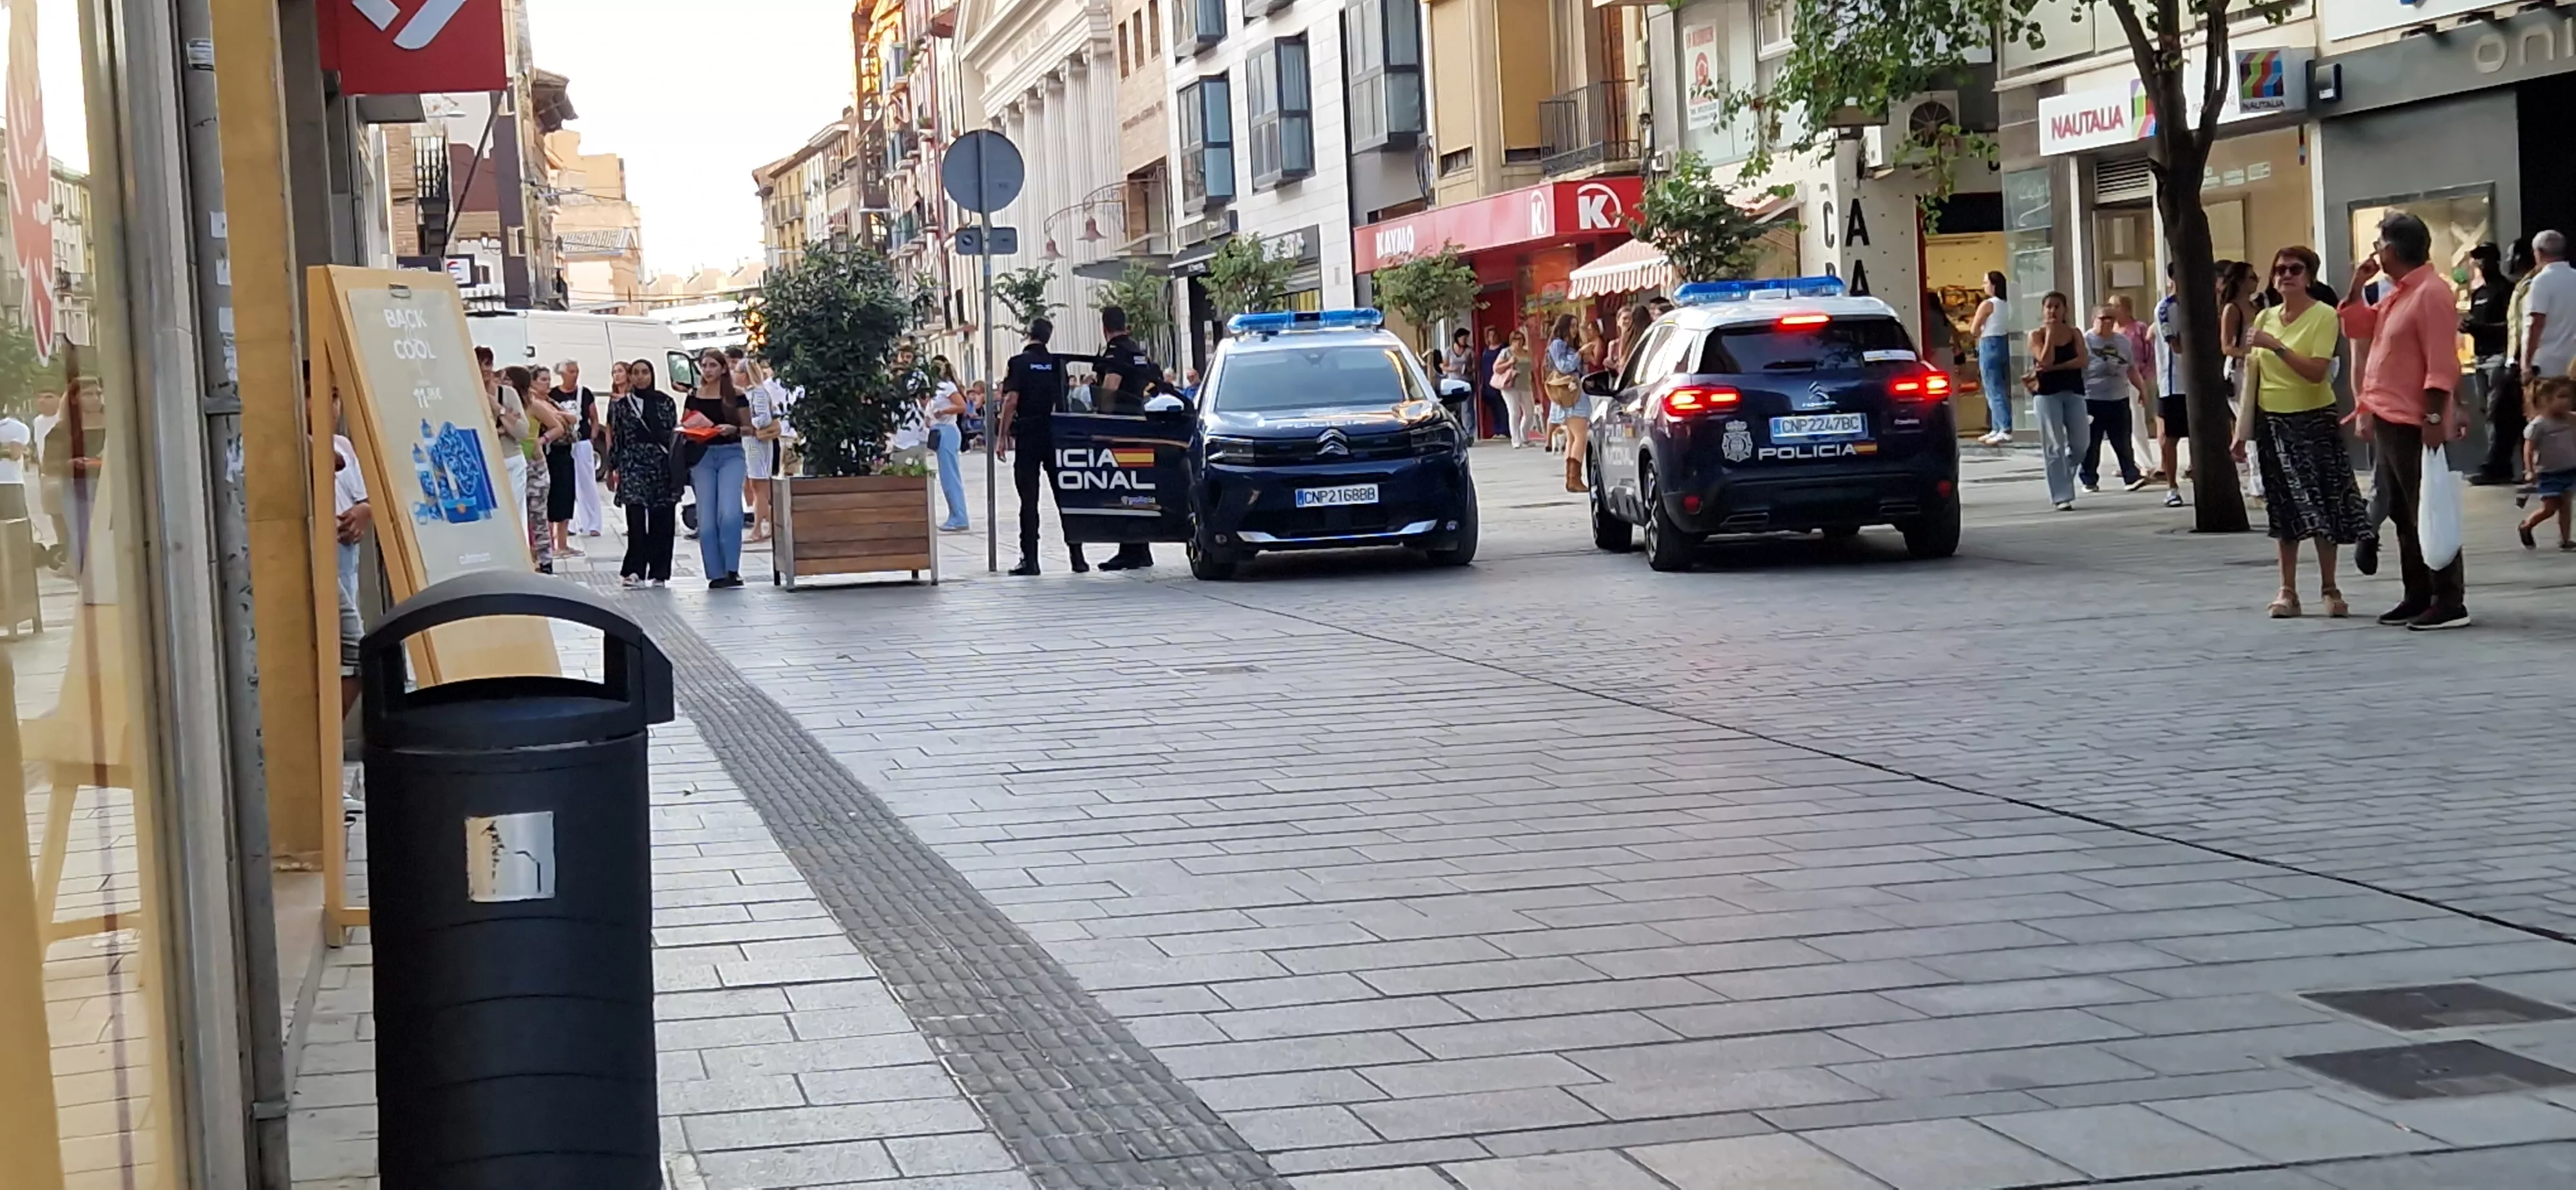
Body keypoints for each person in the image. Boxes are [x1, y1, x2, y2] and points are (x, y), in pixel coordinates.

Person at [2340, 210, 2470, 630]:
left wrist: (2435, 412)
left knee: (2427, 506)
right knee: (2401, 508)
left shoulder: (2430, 292)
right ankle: (2418, 593)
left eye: (2379, 245)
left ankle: (2448, 597)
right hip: (2387, 414)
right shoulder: (2399, 292)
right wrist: (2357, 286)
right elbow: (2357, 325)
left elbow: (2441, 359)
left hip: (2414, 416)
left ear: (2391, 249)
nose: (2375, 252)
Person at [2235, 246, 2367, 619]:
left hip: (2313, 418)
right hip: (2272, 421)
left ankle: (2330, 587)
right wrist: (2241, 432)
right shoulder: (2265, 315)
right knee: (2283, 508)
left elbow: (2315, 371)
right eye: (2279, 270)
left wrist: (2276, 346)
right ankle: (2287, 590)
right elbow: (2253, 378)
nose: (2285, 276)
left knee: (2325, 503)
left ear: (2309, 276)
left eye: (2295, 269)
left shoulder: (2324, 316)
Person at [1003, 317, 1079, 576]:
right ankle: (1077, 557)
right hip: (1056, 434)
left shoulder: (1018, 363)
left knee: (1029, 499)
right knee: (1065, 496)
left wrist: (1002, 434)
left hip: (1028, 433)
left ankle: (1031, 559)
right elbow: (1065, 399)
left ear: (1029, 334)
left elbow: (1011, 400)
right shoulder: (1058, 364)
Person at [1094, 306, 1167, 569]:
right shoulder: (1138, 351)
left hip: (1120, 428)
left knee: (1123, 487)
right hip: (1139, 424)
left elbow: (1111, 386)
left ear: (1105, 328)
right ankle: (1138, 548)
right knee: (1136, 487)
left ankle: (1132, 550)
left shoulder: (1115, 352)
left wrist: (1101, 420)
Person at [683, 347, 752, 589]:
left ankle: (732, 569)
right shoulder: (695, 395)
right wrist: (693, 431)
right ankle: (716, 573)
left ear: (724, 368)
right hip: (702, 455)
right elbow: (685, 425)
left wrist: (732, 429)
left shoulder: (736, 395)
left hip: (730, 454)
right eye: (704, 365)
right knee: (707, 516)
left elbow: (750, 428)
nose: (708, 370)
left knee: (730, 511)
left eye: (713, 365)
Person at [608, 359, 681, 587]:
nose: (641, 377)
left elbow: (672, 434)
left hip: (660, 464)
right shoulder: (621, 406)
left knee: (662, 517)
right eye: (636, 373)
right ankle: (634, 570)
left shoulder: (665, 402)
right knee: (636, 517)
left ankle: (660, 571)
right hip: (632, 463)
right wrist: (612, 469)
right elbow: (617, 439)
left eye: (645, 372)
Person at [2469, 240, 2528, 485]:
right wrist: (2472, 329)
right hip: (2480, 358)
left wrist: (2482, 329)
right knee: (2487, 411)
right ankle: (2497, 463)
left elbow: (2512, 327)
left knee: (2497, 411)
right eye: (2478, 259)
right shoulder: (2479, 293)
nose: (2481, 264)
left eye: (2485, 258)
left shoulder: (2507, 290)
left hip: (2498, 356)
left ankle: (2496, 465)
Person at [2027, 292, 2089, 511]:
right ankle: (2062, 496)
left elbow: (2082, 360)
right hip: (2047, 394)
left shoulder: (2074, 333)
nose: (2052, 311)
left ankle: (2062, 475)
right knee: (2054, 445)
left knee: (2081, 444)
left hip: (2073, 391)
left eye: (2057, 306)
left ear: (2065, 310)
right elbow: (2045, 359)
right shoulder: (2036, 335)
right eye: (2048, 307)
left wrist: (2054, 369)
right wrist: (2051, 336)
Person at [504, 366, 569, 572]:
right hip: (512, 463)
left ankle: (545, 559)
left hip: (534, 465)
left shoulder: (533, 406)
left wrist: (541, 441)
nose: (503, 384)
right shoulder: (503, 405)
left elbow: (558, 426)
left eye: (507, 380)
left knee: (538, 513)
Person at [2079, 305, 2148, 493]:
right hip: (2092, 397)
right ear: (2094, 320)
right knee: (2091, 444)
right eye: (2103, 318)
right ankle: (2089, 479)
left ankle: (2130, 476)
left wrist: (2141, 389)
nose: (2107, 322)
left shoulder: (2122, 341)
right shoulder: (2085, 341)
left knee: (2123, 441)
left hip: (2118, 397)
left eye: (2111, 318)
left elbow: (2131, 368)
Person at [2218, 260, 2262, 500]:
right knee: (2248, 423)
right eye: (2251, 277)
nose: (2256, 281)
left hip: (2257, 368)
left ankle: (2258, 477)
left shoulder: (2257, 306)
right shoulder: (2232, 309)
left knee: (2257, 422)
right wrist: (2250, 354)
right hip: (2240, 369)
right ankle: (2256, 482)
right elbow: (2227, 346)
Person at [2517, 377, 2576, 550]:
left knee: (2566, 505)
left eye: (2569, 397)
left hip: (2570, 469)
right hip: (2549, 473)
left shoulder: (2571, 419)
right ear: (2546, 400)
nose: (2567, 401)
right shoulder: (2540, 425)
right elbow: (2529, 448)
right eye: (2562, 396)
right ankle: (2527, 525)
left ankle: (2565, 539)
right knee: (2550, 507)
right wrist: (2529, 470)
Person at [551, 361, 601, 553]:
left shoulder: (585, 393)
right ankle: (569, 525)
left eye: (577, 371)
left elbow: (593, 417)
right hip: (562, 444)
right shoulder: (554, 395)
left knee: (587, 481)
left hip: (582, 441)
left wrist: (592, 437)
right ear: (562, 374)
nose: (575, 375)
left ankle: (593, 523)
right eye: (571, 372)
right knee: (566, 484)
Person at [2153, 264, 2190, 507]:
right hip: (2175, 381)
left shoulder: (2201, 305)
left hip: (2197, 384)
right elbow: (2175, 344)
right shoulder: (2165, 308)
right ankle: (2172, 486)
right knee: (2172, 437)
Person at [742, 355, 790, 541]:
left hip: (758, 443)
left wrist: (746, 423)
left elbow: (763, 419)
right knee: (756, 486)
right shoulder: (749, 393)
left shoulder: (758, 393)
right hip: (750, 443)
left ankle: (758, 529)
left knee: (759, 486)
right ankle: (772, 525)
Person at [2111, 295, 2159, 474]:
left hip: (2135, 378)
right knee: (2121, 423)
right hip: (2116, 380)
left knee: (2136, 420)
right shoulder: (2112, 330)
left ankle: (2145, 463)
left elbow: (2150, 354)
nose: (2112, 310)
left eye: (2115, 306)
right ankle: (2128, 463)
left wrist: (2145, 378)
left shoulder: (2139, 329)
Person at [1967, 272, 2013, 445]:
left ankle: (2004, 427)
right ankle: (1997, 427)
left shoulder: (1987, 304)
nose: (1983, 285)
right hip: (2003, 341)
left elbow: (1974, 329)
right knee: (2000, 385)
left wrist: (1978, 336)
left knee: (1992, 387)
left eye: (1986, 282)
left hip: (1989, 341)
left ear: (1993, 285)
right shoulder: (2007, 304)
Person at [928, 355, 970, 533]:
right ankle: (955, 514)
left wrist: (942, 411)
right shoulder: (935, 389)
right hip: (939, 431)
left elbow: (962, 406)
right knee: (947, 478)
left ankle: (959, 517)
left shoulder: (947, 387)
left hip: (947, 431)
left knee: (951, 477)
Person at [1548, 314, 1589, 491]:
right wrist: (1579, 354)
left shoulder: (1567, 345)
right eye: (1572, 326)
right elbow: (1564, 366)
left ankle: (1572, 478)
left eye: (1576, 326)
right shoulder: (1558, 344)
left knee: (1573, 437)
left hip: (1573, 391)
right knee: (1581, 436)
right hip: (1570, 393)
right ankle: (1574, 478)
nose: (1574, 330)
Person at [1494, 328, 1532, 448]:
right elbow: (1496, 369)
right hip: (1510, 386)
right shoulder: (1506, 352)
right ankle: (1516, 440)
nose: (1518, 342)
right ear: (1511, 341)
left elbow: (1533, 370)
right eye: (1516, 339)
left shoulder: (1527, 352)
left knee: (1530, 413)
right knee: (1515, 412)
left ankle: (1524, 435)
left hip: (1526, 385)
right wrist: (1509, 363)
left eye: (1520, 339)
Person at [0, 405, 29, 522]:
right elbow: (14, 452)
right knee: (14, 526)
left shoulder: (13, 427)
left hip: (8, 481)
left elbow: (14, 453)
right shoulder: (18, 428)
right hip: (9, 482)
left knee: (13, 527)